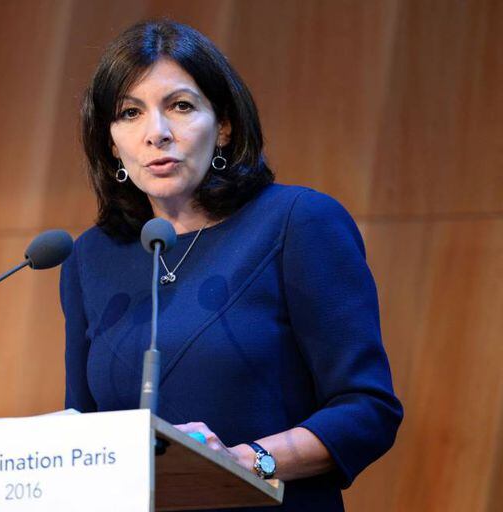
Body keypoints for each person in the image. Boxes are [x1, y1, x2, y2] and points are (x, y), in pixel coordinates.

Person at [60, 19, 402, 511]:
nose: (156, 133)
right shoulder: (90, 257)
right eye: (130, 113)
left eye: (180, 106)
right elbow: (84, 427)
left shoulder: (298, 222)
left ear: (223, 126)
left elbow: (367, 409)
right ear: (112, 143)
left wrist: (243, 462)